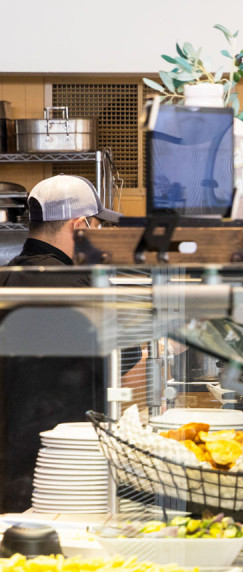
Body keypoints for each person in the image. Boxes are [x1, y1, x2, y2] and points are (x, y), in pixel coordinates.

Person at [0, 175, 133, 511]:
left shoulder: (3, 279)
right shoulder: (82, 288)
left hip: (8, 466)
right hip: (70, 469)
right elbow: (128, 362)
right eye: (99, 226)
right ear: (79, 226)